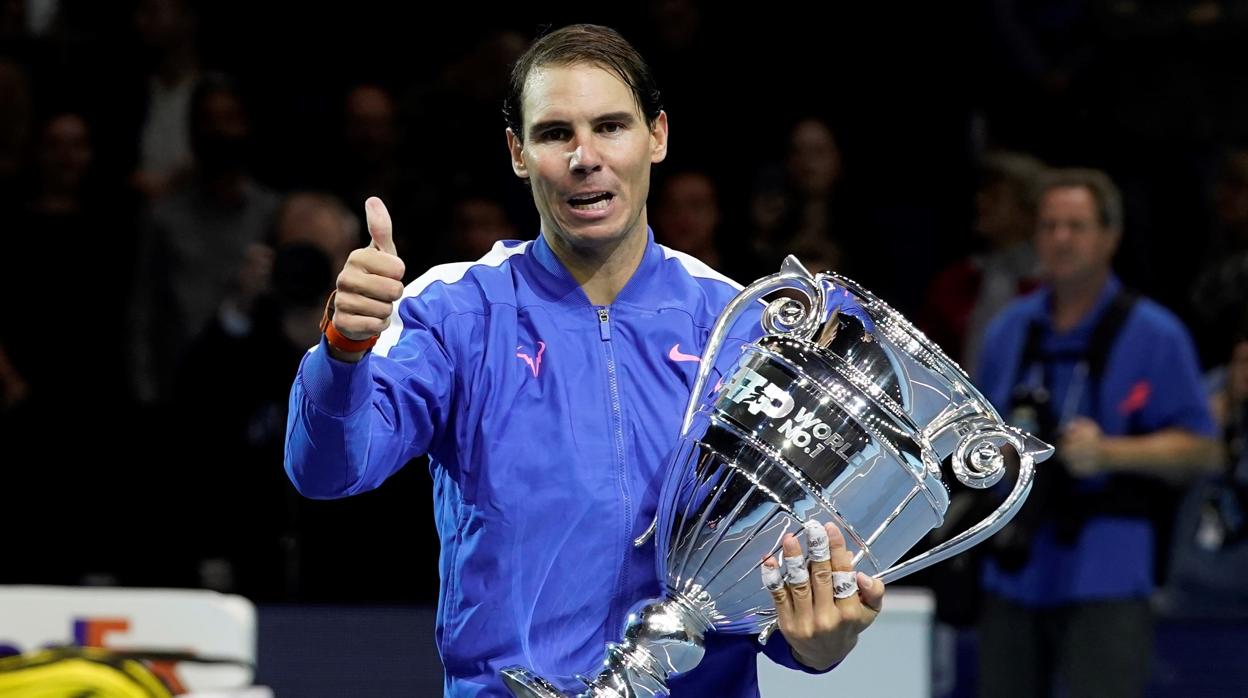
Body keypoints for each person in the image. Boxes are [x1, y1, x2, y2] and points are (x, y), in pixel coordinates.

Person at [284, 23, 883, 697]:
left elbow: (773, 582)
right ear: (517, 152)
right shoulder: (454, 311)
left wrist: (819, 641)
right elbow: (327, 470)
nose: (585, 157)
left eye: (610, 127)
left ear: (656, 135)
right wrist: (341, 353)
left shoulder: (734, 327)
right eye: (554, 133)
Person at [974, 168, 1220, 698]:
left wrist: (1110, 452)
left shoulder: (1157, 333)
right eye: (1049, 225)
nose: (1060, 238)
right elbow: (971, 436)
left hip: (1108, 566)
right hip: (1016, 565)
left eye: (1077, 226)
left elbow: (1202, 448)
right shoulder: (1008, 328)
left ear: (1112, 236)